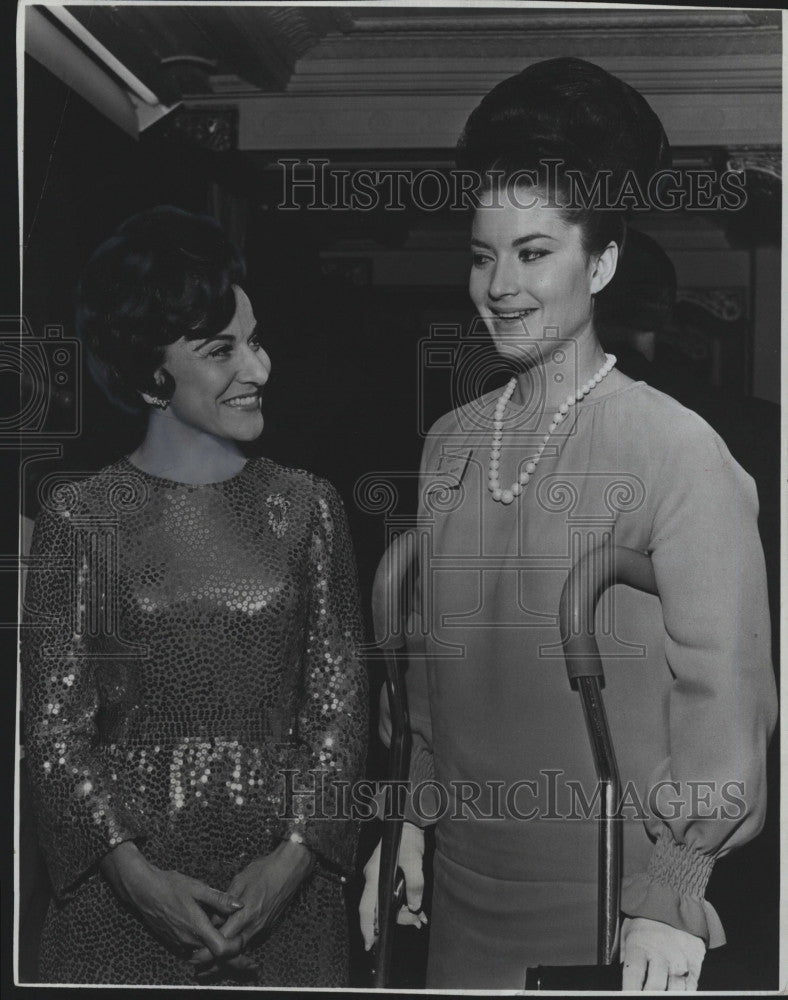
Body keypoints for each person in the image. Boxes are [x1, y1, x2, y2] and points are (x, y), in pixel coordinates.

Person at [359, 59, 777, 991]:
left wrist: (673, 888)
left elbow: (727, 696)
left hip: (611, 910)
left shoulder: (678, 451)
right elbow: (434, 674)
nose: (499, 285)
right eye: (482, 253)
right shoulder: (450, 442)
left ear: (603, 262)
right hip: (460, 899)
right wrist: (413, 823)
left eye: (534, 252)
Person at [21, 206, 368, 986]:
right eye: (222, 351)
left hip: (290, 908)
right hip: (117, 914)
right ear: (151, 374)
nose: (259, 368)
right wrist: (140, 884)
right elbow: (52, 734)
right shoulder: (81, 519)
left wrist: (291, 862)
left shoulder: (308, 508)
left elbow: (340, 711)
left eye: (255, 340)